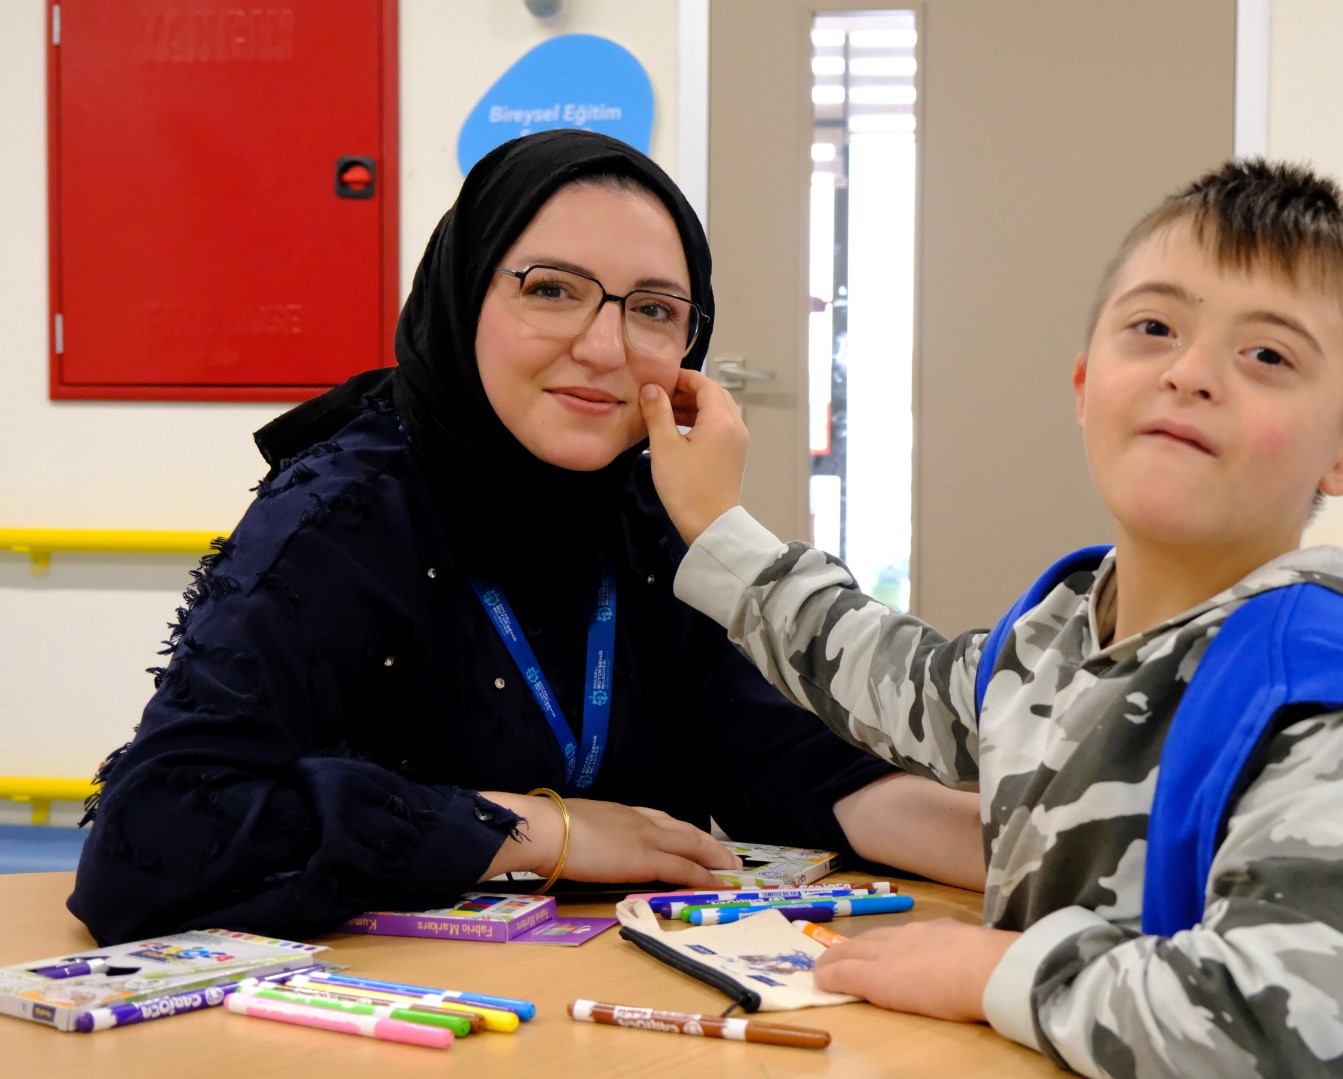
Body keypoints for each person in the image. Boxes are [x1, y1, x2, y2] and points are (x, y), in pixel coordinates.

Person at [639, 160, 1343, 1077]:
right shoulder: (1068, 631)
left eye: (1269, 356)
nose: (1192, 372)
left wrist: (999, 969)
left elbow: (1271, 1032)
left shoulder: (1322, 700)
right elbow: (902, 679)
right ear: (1087, 385)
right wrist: (719, 531)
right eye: (1155, 328)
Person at [67, 130, 982, 946]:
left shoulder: (651, 503)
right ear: (465, 296)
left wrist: (1041, 842)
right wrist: (543, 830)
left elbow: (786, 755)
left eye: (655, 308)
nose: (604, 346)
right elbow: (156, 831)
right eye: (552, 290)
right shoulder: (342, 514)